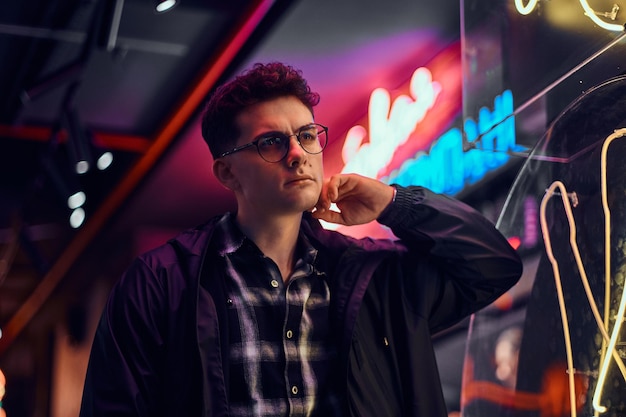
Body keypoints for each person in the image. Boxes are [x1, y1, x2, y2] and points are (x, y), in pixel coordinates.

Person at [79, 62, 522, 417]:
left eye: (306, 135)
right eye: (271, 142)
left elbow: (493, 266)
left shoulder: (372, 278)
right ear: (227, 171)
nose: (298, 154)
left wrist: (394, 203)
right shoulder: (160, 285)